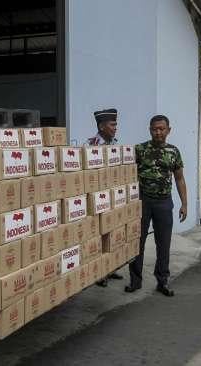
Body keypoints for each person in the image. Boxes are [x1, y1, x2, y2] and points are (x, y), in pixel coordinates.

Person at [127, 114, 187, 296]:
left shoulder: (173, 151)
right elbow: (128, 175)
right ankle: (135, 281)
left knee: (164, 243)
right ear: (150, 130)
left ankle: (163, 281)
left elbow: (179, 178)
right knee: (137, 242)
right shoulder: (139, 149)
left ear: (169, 130)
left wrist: (184, 204)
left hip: (164, 202)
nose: (158, 132)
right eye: (154, 129)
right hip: (142, 202)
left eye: (162, 129)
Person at [88, 108, 123, 287]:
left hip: (112, 194)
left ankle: (110, 268)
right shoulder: (94, 145)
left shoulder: (114, 143)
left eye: (116, 124)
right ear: (101, 126)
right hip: (99, 195)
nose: (116, 127)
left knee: (111, 231)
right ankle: (100, 272)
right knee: (99, 233)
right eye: (112, 124)